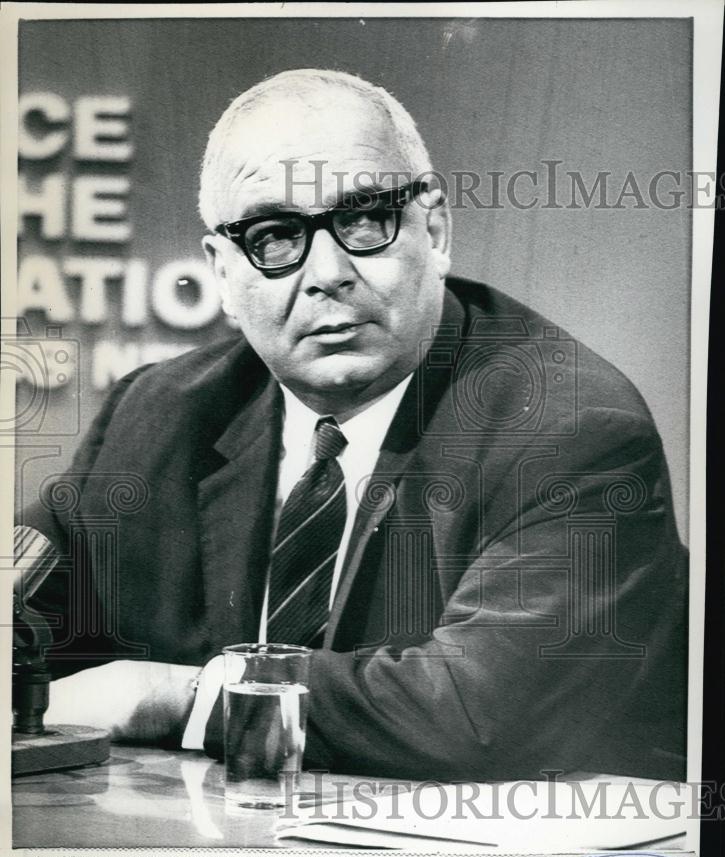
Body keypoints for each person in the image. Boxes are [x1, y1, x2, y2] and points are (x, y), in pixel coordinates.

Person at [26, 69, 687, 782]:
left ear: (433, 228)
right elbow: (18, 610)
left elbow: (478, 713)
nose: (327, 273)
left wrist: (174, 694)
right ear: (220, 271)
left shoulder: (571, 429)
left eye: (364, 219)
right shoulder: (158, 412)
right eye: (274, 237)